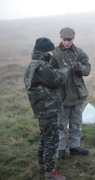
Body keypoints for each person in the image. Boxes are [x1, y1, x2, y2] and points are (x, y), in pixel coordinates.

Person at [24, 37, 68, 180]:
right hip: (48, 109)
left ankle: (42, 166)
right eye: (51, 50)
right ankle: (51, 173)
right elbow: (57, 80)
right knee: (52, 140)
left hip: (41, 109)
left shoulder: (32, 65)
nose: (52, 53)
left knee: (44, 138)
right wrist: (64, 70)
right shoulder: (41, 66)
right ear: (46, 51)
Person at [50, 27, 91, 160]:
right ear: (60, 38)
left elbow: (87, 68)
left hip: (77, 95)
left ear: (73, 39)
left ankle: (75, 147)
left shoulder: (79, 52)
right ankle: (60, 149)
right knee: (61, 124)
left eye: (69, 40)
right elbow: (48, 72)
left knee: (76, 123)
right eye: (64, 39)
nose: (67, 42)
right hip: (61, 96)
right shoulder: (54, 53)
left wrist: (81, 68)